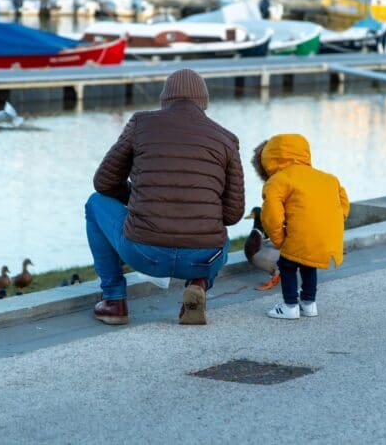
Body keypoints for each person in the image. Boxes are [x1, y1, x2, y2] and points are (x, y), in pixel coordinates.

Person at [85, 68, 245, 326]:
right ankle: (199, 283)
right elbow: (233, 214)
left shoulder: (141, 124)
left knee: (95, 203)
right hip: (203, 259)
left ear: (164, 99)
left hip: (145, 253)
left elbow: (104, 183)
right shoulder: (226, 139)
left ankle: (114, 301)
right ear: (204, 102)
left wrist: (137, 198)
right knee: (219, 237)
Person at [254, 134, 349, 319]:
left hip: (298, 234)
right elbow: (343, 203)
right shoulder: (328, 178)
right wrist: (331, 223)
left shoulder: (277, 181)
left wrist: (279, 240)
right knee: (308, 264)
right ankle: (309, 303)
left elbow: (272, 215)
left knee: (287, 265)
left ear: (270, 157)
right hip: (323, 235)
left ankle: (290, 306)